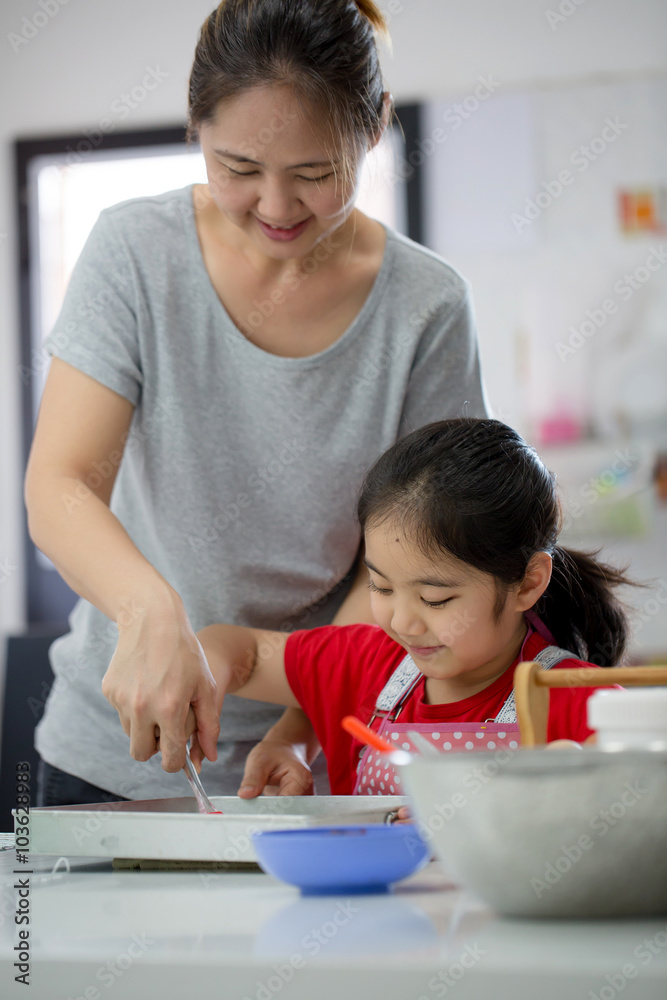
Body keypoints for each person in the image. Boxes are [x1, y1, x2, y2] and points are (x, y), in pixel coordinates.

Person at [25, 0, 488, 806]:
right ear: (195, 126)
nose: (276, 208)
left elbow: (413, 560)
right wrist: (149, 610)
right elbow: (59, 486)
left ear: (375, 126)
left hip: (318, 751)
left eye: (315, 173)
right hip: (105, 750)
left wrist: (305, 716)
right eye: (237, 168)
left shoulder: (427, 307)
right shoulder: (134, 253)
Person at [196, 418, 634, 796]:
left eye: (434, 599)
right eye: (381, 586)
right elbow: (241, 653)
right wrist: (197, 672)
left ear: (528, 583)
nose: (401, 621)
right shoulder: (366, 663)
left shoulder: (586, 705)